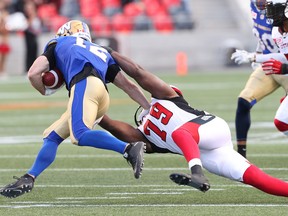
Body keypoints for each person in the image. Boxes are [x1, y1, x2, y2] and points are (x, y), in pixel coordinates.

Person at [99, 48, 288, 197]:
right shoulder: (144, 134)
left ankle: (197, 174)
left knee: (180, 133)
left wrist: (110, 52)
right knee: (255, 178)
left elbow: (138, 73)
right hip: (206, 154)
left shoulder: (165, 98)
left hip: (210, 128)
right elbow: (112, 125)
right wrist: (91, 110)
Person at [0, 20, 149, 199]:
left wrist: (44, 90)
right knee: (52, 136)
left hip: (85, 85)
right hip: (102, 96)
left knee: (79, 135)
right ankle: (29, 178)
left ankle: (127, 149)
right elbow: (128, 86)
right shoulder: (100, 49)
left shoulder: (58, 43)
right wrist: (148, 107)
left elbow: (33, 73)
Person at [230, 0, 288, 158]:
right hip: (270, 63)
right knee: (243, 100)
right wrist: (256, 55)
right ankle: (241, 156)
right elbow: (267, 43)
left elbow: (285, 57)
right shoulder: (261, 14)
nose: (262, 3)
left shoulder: (281, 15)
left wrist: (254, 57)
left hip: (284, 66)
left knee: (283, 120)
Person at [0, 1, 10, 77]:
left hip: (5, 38)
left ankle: (2, 70)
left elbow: (7, 26)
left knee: (4, 56)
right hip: (1, 37)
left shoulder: (6, 13)